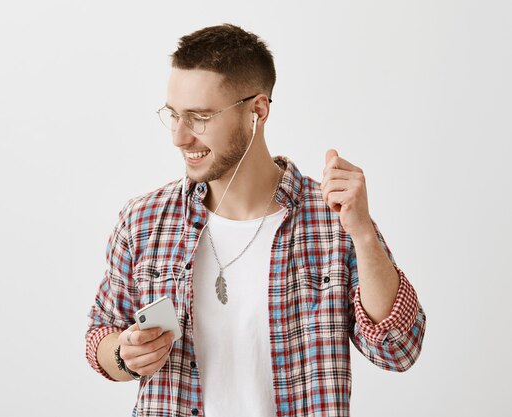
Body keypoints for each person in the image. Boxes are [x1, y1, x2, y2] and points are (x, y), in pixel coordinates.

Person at [86, 23, 426, 417]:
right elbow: (101, 337)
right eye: (173, 114)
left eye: (199, 117)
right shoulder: (143, 221)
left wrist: (363, 233)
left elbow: (399, 350)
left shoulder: (333, 221)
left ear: (257, 111)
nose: (179, 137)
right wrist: (126, 355)